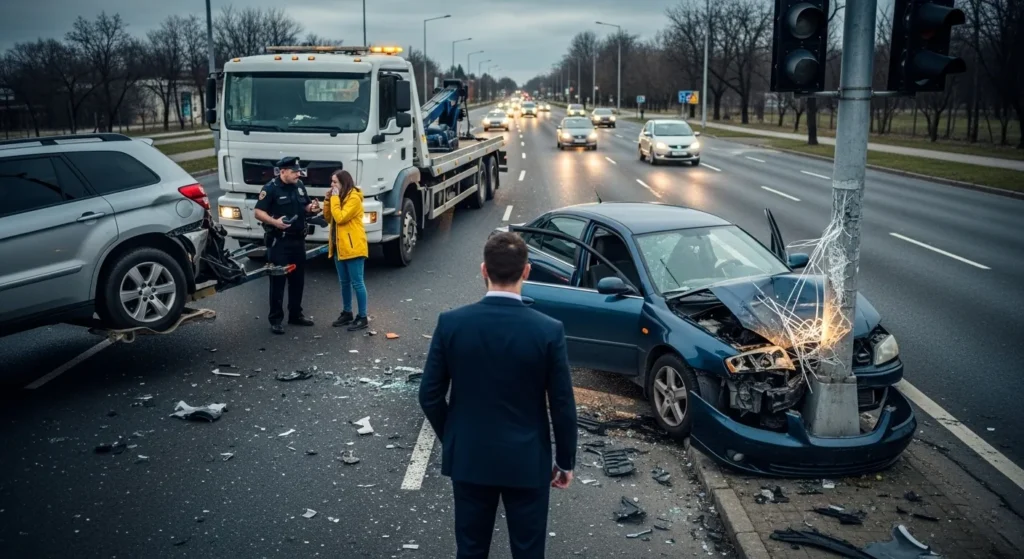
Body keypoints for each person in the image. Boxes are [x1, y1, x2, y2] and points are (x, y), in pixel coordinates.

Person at [419, 232, 578, 559]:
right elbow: (562, 405)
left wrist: (453, 436)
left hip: (470, 457)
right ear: (527, 271)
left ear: (483, 270)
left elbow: (429, 395)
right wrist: (565, 461)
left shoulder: (451, 324)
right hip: (526, 462)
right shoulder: (548, 331)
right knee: (528, 550)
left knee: (472, 549)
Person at [254, 156, 320, 335]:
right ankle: (275, 319)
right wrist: (274, 222)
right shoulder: (270, 189)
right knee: (278, 281)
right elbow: (258, 212)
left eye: (298, 171)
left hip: (298, 240)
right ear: (282, 172)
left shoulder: (298, 185)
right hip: (279, 241)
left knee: (298, 280)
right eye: (294, 171)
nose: (298, 174)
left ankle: (296, 314)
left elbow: (305, 205)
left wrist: (312, 208)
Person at [324, 169, 369, 331]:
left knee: (357, 282)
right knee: (344, 282)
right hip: (339, 246)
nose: (332, 185)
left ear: (344, 183)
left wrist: (334, 198)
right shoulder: (339, 198)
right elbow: (329, 218)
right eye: (332, 182)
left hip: (353, 247)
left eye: (335, 182)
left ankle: (363, 317)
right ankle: (347, 312)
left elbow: (341, 217)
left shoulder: (354, 198)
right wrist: (328, 201)